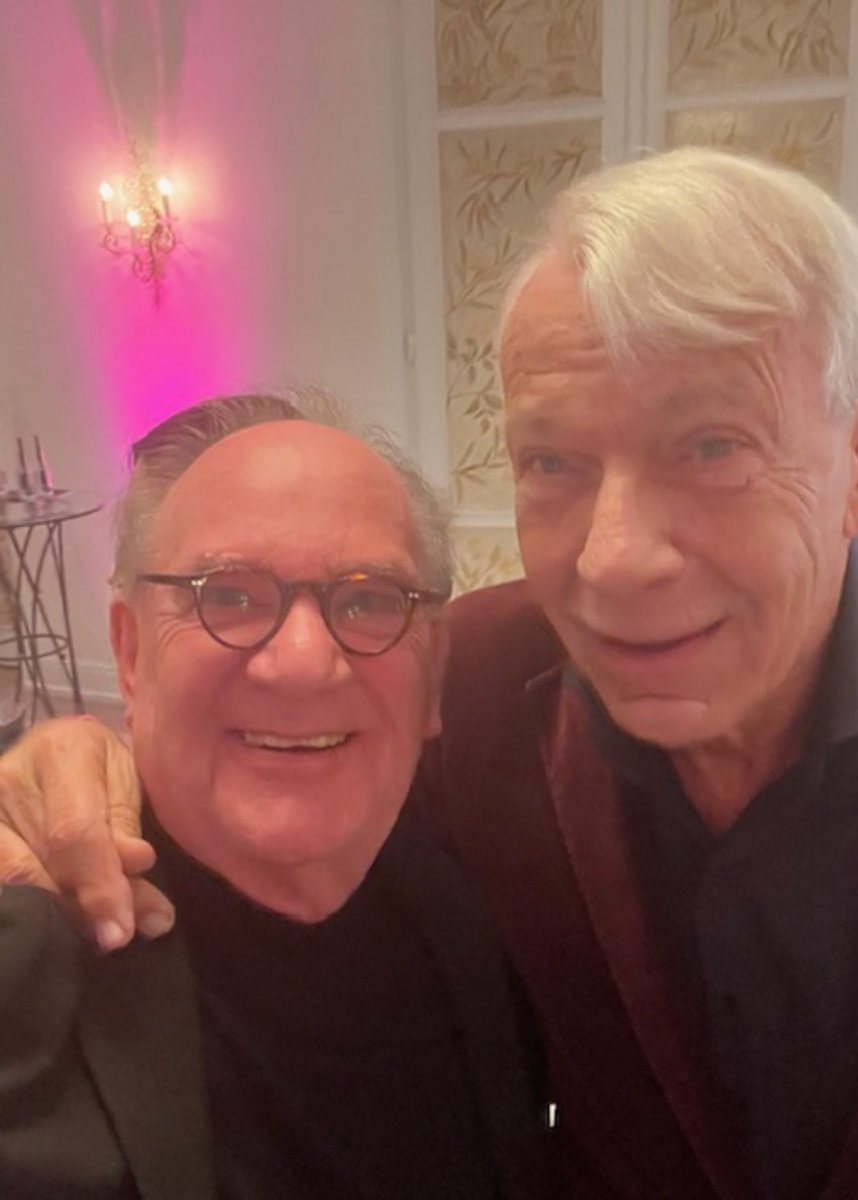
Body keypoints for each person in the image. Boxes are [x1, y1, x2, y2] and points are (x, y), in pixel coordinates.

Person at [3, 149, 858, 1200]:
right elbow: (283, 757)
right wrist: (73, 758)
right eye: (554, 463)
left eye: (711, 448)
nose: (613, 558)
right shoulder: (479, 683)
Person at [0, 394, 554, 1199]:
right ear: (129, 653)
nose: (301, 662)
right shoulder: (30, 961)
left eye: (368, 600)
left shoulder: (483, 882)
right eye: (227, 595)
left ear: (433, 672)